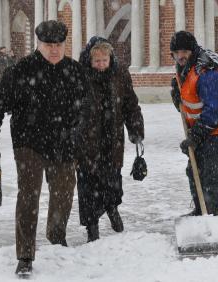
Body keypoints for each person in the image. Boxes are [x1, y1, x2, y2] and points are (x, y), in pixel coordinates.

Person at [0, 20, 90, 276]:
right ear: (38, 44)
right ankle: (25, 255)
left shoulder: (74, 71)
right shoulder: (22, 70)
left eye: (59, 45)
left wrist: (77, 132)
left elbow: (87, 106)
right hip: (28, 141)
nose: (54, 50)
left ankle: (56, 236)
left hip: (63, 142)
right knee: (29, 195)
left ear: (64, 45)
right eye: (48, 45)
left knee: (64, 190)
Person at [77, 36, 144, 242]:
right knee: (88, 185)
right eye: (97, 61)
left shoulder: (120, 73)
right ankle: (92, 227)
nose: (101, 65)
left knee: (113, 180)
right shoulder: (79, 76)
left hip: (112, 138)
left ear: (110, 57)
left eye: (104, 60)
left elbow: (130, 104)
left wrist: (136, 130)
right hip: (86, 140)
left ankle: (113, 210)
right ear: (89, 59)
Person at [170, 31, 218, 216]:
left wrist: (195, 136)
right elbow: (190, 106)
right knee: (194, 170)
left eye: (184, 51)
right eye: (176, 52)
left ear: (193, 50)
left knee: (210, 173)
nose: (180, 56)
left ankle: (213, 212)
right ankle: (201, 210)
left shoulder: (208, 72)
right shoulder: (185, 70)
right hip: (202, 130)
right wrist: (177, 98)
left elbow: (213, 111)